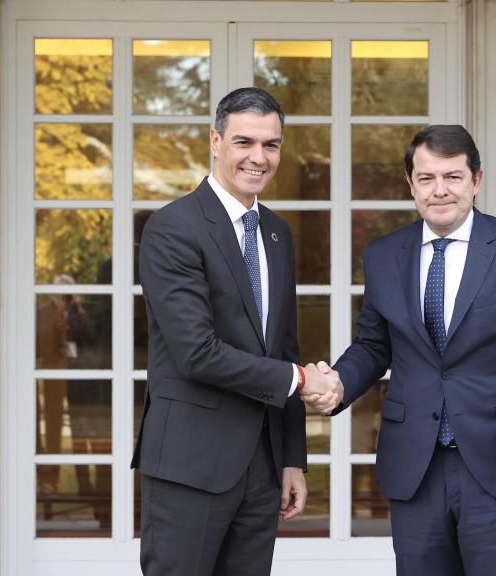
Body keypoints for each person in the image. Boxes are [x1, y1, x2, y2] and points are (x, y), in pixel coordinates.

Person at [321, 125, 496, 575]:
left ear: (476, 181)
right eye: (426, 178)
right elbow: (373, 345)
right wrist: (338, 384)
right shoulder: (384, 255)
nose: (439, 190)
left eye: (453, 177)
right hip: (416, 467)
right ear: (411, 183)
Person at [133, 87, 342, 576]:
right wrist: (302, 380)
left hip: (262, 467)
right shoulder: (173, 228)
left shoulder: (277, 233)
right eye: (244, 142)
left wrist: (292, 459)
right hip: (190, 464)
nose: (258, 157)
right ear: (215, 141)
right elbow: (197, 352)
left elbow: (283, 346)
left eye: (271, 145)